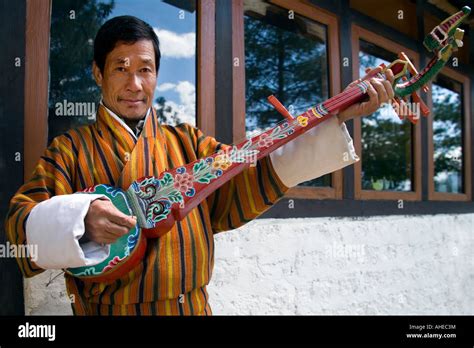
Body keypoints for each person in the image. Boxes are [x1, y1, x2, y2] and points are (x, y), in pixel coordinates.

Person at [5, 15, 395, 315]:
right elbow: (19, 229)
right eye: (121, 68)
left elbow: (252, 170)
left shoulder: (188, 142)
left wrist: (337, 114)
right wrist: (79, 219)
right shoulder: (70, 150)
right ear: (98, 73)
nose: (135, 84)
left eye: (145, 69)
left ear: (156, 75)